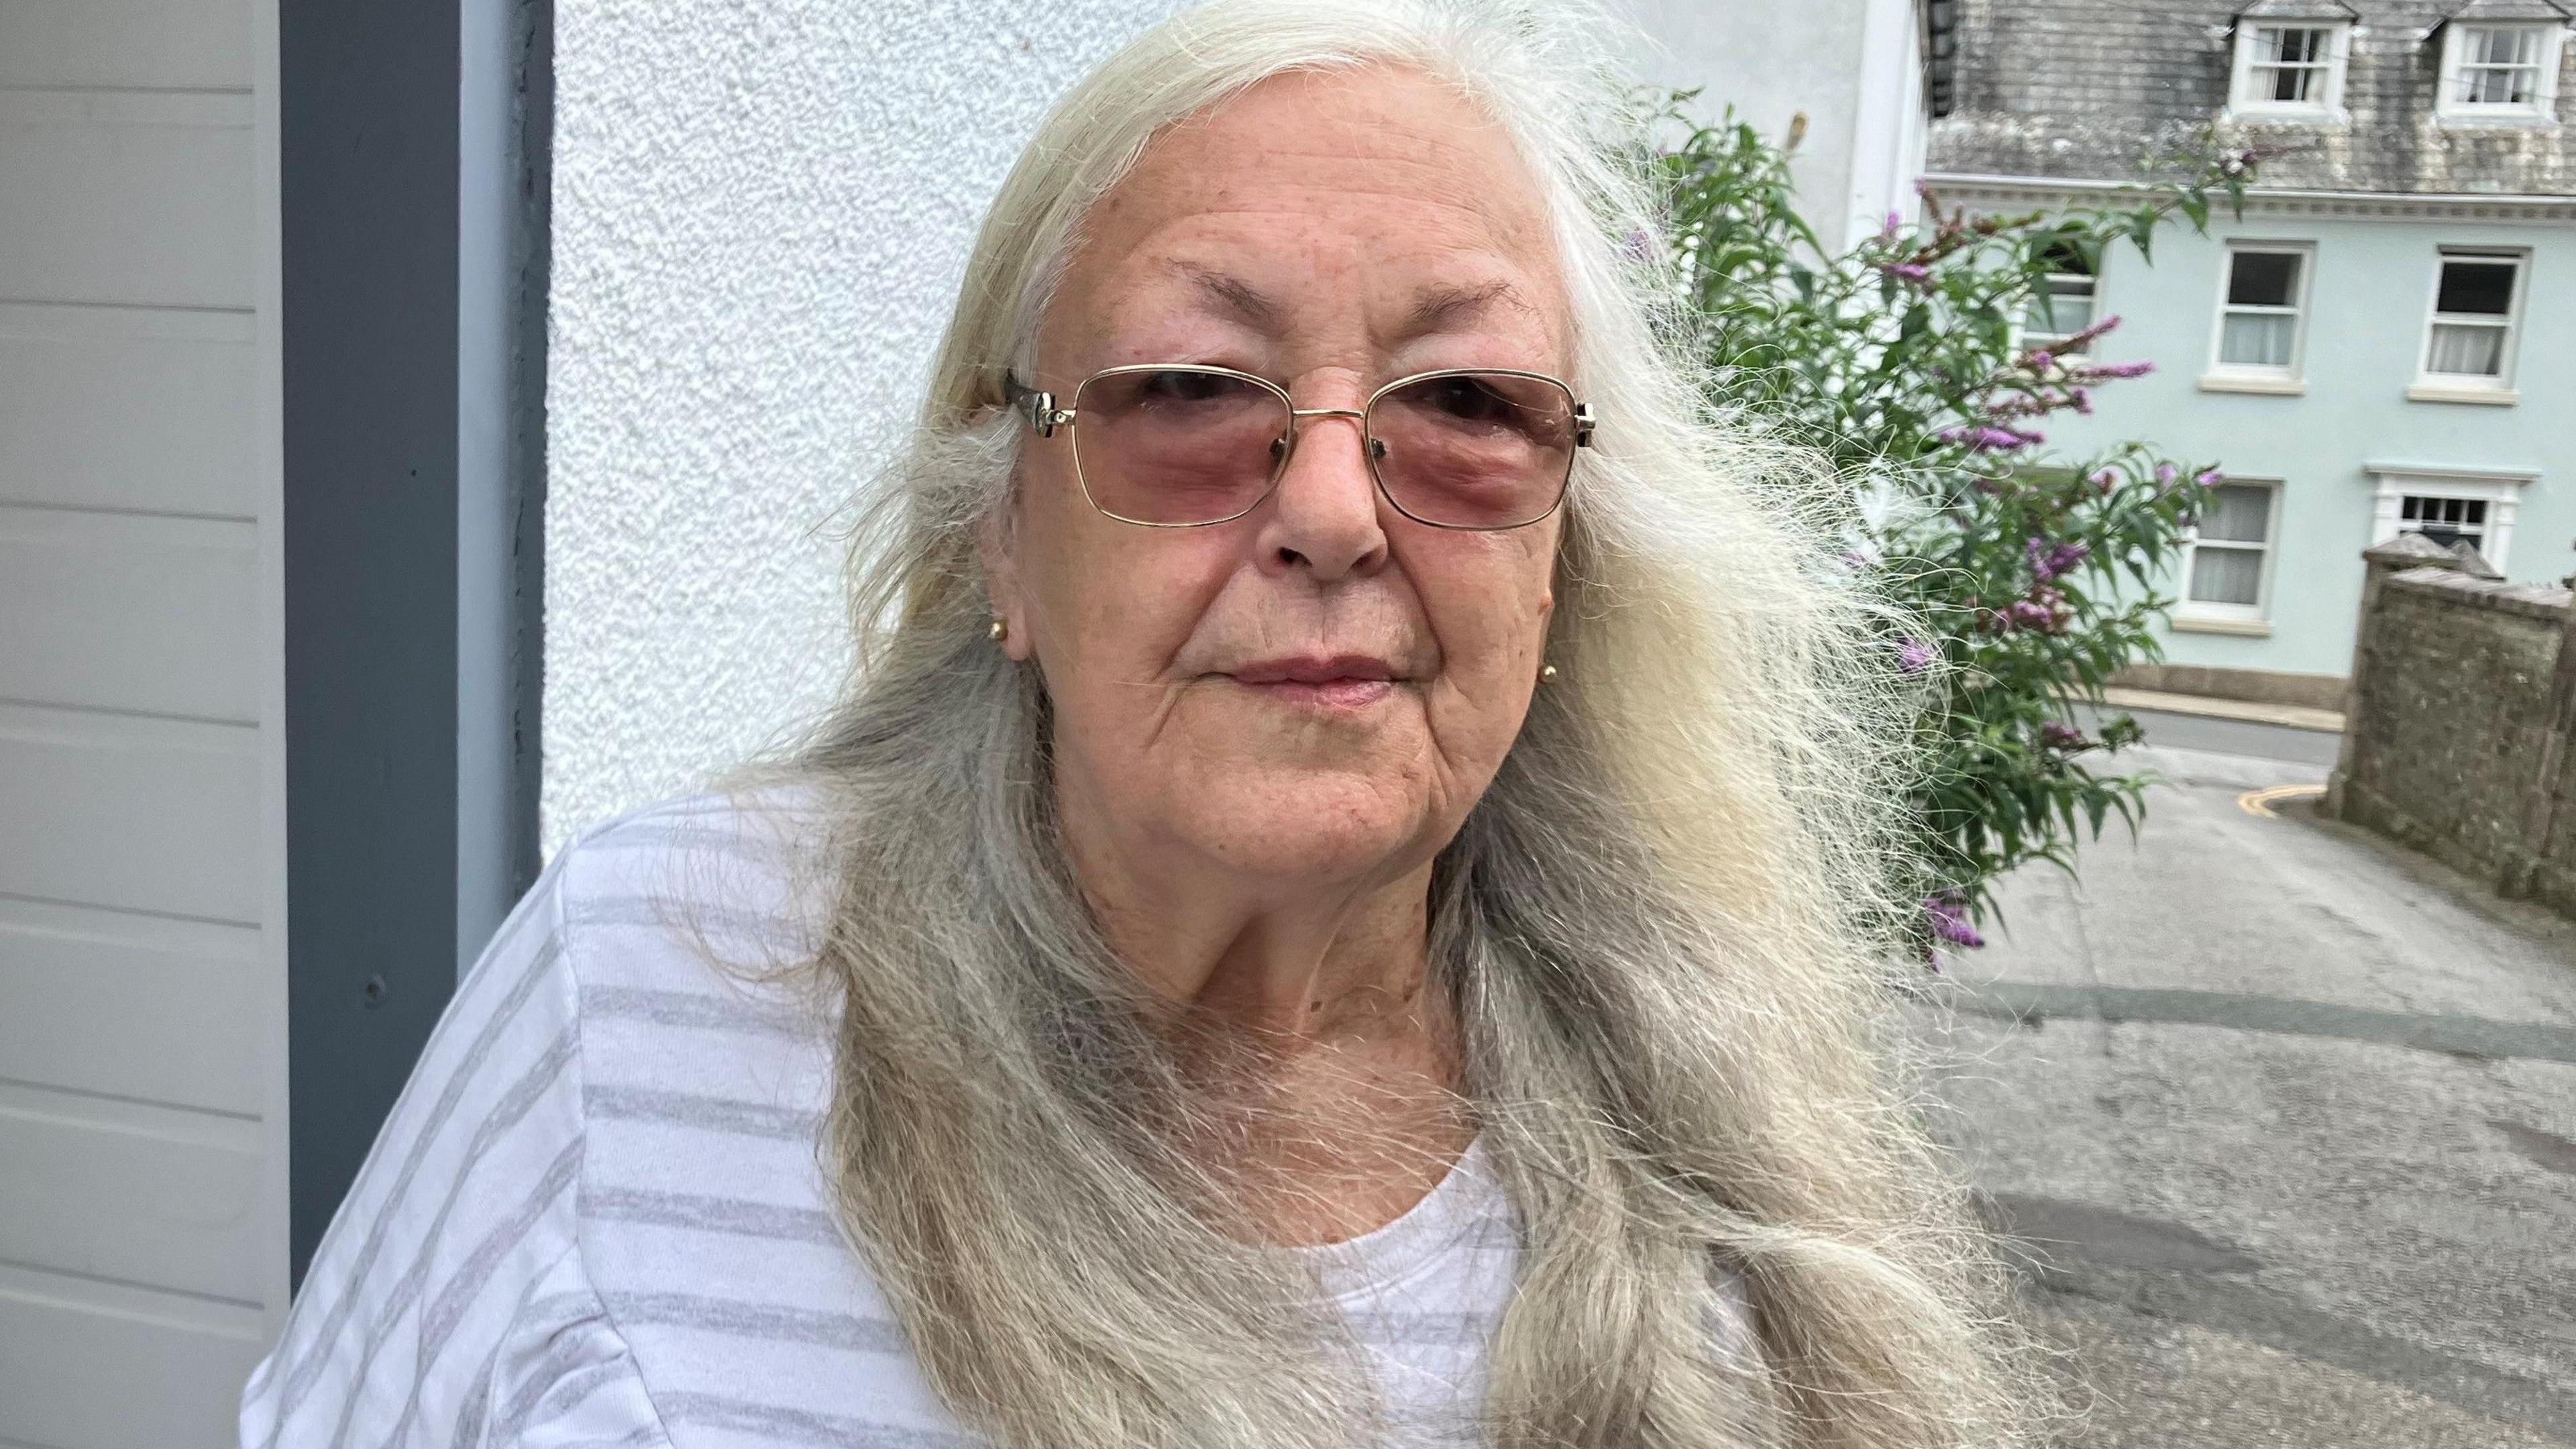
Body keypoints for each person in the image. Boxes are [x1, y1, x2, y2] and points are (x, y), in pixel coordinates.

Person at [241, 1, 2039, 1445]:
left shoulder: (1724, 1137)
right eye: (1187, 389)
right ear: (997, 527)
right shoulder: (657, 985)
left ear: (1566, 551)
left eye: (1469, 400)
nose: (1336, 510)